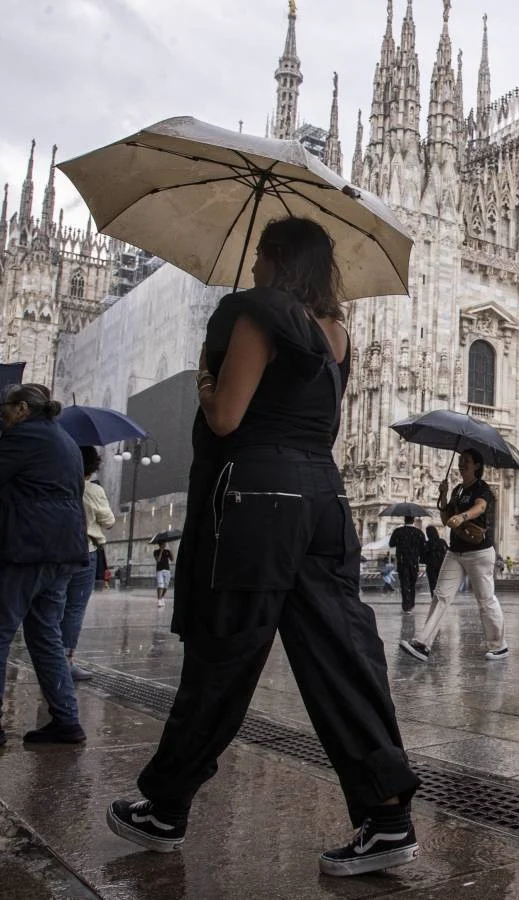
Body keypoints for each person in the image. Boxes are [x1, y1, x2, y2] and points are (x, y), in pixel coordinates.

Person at [106, 218, 420, 876]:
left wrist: (204, 374)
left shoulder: (254, 316)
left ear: (277, 261)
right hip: (323, 500)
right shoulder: (338, 333)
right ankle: (387, 815)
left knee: (224, 653)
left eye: (259, 257)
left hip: (258, 500)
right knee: (342, 655)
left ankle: (165, 805)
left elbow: (225, 417)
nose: (252, 268)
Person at [0, 383, 89, 746]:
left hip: (29, 547)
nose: (2, 416)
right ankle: (66, 720)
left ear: (21, 408)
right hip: (64, 549)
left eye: (4, 410)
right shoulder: (65, 440)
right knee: (45, 635)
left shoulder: (24, 437)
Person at [400, 449, 507, 663]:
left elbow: (481, 506)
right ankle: (423, 643)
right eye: (460, 461)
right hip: (455, 551)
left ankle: (498, 645)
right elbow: (446, 516)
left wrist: (463, 515)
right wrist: (443, 494)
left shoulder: (481, 487)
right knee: (440, 596)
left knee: (485, 600)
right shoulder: (458, 490)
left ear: (477, 465)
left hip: (479, 552)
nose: (460, 465)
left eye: (466, 461)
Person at [62, 446, 115, 681]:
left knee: (54, 607)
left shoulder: (60, 483)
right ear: (93, 466)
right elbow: (109, 521)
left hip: (58, 551)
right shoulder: (92, 490)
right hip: (86, 550)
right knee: (74, 609)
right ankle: (66, 661)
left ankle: (49, 659)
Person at [388, 516, 426, 613]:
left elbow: (391, 544)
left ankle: (406, 605)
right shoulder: (418, 532)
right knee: (412, 583)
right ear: (413, 520)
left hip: (402, 561)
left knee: (404, 583)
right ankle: (412, 604)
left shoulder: (398, 531)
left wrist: (401, 542)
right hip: (414, 562)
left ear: (404, 520)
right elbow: (423, 546)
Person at [422, 525, 448, 596]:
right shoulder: (442, 542)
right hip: (442, 566)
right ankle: (441, 598)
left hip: (431, 567)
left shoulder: (427, 544)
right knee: (441, 584)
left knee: (432, 584)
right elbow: (448, 553)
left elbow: (423, 557)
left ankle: (434, 599)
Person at [153, 540, 173, 608]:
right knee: (160, 585)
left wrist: (171, 552)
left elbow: (172, 559)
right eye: (164, 543)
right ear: (160, 544)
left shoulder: (167, 551)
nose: (165, 544)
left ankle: (162, 597)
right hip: (159, 570)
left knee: (166, 586)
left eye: (165, 543)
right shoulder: (156, 552)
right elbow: (158, 560)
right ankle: (159, 600)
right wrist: (161, 551)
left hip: (167, 570)